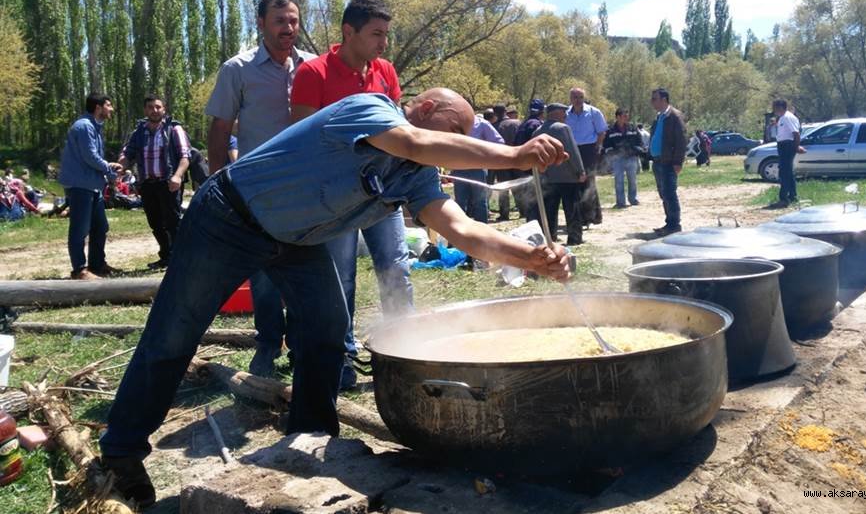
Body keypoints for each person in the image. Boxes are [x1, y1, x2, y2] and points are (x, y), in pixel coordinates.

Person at [97, 89, 571, 509]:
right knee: (174, 335)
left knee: (326, 331)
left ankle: (310, 433)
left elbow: (462, 229)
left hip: (297, 241)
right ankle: (121, 452)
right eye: (456, 131)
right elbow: (415, 142)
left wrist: (532, 258)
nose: (457, 148)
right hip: (228, 217)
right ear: (424, 108)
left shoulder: (417, 176)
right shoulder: (367, 109)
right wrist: (513, 153)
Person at [290, 0, 412, 390]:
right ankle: (342, 358)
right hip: (336, 197)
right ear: (349, 32)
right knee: (340, 279)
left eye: (386, 35)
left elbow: (399, 130)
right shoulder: (313, 73)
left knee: (396, 267)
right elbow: (304, 141)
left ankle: (406, 351)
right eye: (376, 34)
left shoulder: (385, 72)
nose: (383, 43)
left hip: (383, 193)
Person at [205, 0, 317, 376]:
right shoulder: (237, 69)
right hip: (259, 187)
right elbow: (220, 129)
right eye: (280, 21)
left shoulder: (311, 67)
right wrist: (216, 184)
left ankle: (303, 344)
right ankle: (268, 343)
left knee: (306, 265)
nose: (288, 29)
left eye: (294, 21)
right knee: (264, 270)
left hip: (306, 186)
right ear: (261, 24)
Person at [118, 95, 191, 269]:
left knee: (173, 222)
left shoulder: (174, 129)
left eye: (158, 107)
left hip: (168, 183)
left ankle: (180, 259)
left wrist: (178, 176)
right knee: (155, 223)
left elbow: (185, 157)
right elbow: (128, 153)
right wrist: (120, 166)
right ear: (145, 110)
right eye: (150, 107)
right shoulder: (139, 132)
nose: (155, 110)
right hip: (148, 184)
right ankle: (166, 256)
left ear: (164, 109)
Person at [58, 93, 123, 280]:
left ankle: (97, 264)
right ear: (98, 107)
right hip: (80, 186)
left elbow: (92, 158)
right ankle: (79, 270)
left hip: (92, 186)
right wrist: (110, 169)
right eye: (109, 105)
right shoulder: (85, 127)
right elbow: (90, 157)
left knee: (100, 226)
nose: (111, 109)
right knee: (79, 229)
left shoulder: (93, 127)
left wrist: (109, 173)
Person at [533, 103, 586, 245]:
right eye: (564, 112)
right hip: (567, 176)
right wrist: (580, 170)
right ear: (556, 113)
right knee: (572, 208)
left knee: (550, 210)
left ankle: (551, 237)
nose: (566, 115)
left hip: (547, 176)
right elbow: (571, 151)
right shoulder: (563, 128)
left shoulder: (537, 131)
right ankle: (575, 238)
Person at [648, 88, 687, 237]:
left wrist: (678, 162)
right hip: (658, 161)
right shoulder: (659, 117)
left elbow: (681, 141)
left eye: (654, 99)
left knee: (670, 194)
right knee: (664, 194)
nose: (652, 102)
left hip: (669, 163)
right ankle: (669, 223)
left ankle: (674, 225)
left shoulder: (674, 116)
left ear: (664, 99)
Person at [566, 88, 608, 226]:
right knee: (575, 182)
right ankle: (580, 215)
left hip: (589, 149)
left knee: (589, 182)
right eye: (575, 97)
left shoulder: (593, 112)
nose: (578, 100)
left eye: (580, 97)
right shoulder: (566, 113)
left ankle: (592, 216)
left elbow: (602, 132)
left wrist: (597, 147)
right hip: (573, 150)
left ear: (584, 98)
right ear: (570, 98)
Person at [452, 113, 504, 223]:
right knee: (460, 202)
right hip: (458, 168)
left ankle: (482, 231)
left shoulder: (482, 124)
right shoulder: (453, 124)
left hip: (477, 168)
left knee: (480, 201)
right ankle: (460, 231)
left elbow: (498, 141)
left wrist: (485, 155)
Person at [767, 99, 805, 209]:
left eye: (775, 107)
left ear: (780, 107)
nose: (773, 109)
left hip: (788, 145)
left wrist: (796, 146)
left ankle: (784, 199)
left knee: (784, 172)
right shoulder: (782, 118)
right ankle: (792, 196)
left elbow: (796, 134)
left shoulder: (788, 117)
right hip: (783, 145)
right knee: (788, 172)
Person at [603, 108, 644, 208]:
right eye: (624, 116)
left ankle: (633, 199)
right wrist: (612, 154)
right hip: (617, 159)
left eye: (627, 115)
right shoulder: (610, 130)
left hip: (631, 158)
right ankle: (620, 203)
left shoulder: (633, 128)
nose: (627, 118)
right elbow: (606, 145)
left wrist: (639, 150)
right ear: (618, 117)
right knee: (619, 181)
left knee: (632, 180)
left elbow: (639, 141)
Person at [490, 104, 522, 221]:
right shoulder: (517, 123)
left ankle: (504, 213)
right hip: (518, 159)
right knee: (518, 186)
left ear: (495, 113)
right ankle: (523, 210)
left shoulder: (493, 126)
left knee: (503, 188)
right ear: (505, 111)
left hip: (502, 160)